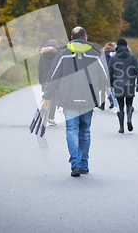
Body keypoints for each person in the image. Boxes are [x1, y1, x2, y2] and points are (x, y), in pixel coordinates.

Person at [42, 27, 109, 177]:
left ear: (71, 38)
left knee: (72, 130)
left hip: (68, 99)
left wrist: (47, 95)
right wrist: (94, 90)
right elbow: (105, 79)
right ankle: (84, 164)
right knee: (85, 131)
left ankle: (75, 165)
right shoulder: (95, 54)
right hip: (88, 100)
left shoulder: (63, 54)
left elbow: (53, 77)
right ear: (85, 37)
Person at [109, 38, 138, 133]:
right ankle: (129, 119)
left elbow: (110, 73)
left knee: (120, 106)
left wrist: (110, 84)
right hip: (130, 84)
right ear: (126, 46)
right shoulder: (132, 57)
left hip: (118, 85)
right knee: (129, 104)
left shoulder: (113, 58)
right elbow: (136, 71)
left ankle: (121, 127)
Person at [38, 39, 59, 125]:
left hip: (44, 80)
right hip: (54, 80)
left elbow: (40, 69)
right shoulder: (57, 56)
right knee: (53, 99)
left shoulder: (42, 56)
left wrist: (40, 81)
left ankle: (43, 116)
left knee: (46, 98)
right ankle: (51, 118)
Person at [100, 42, 117, 111]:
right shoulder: (114, 53)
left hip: (103, 73)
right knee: (110, 88)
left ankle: (102, 104)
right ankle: (112, 101)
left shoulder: (102, 54)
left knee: (102, 89)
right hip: (112, 72)